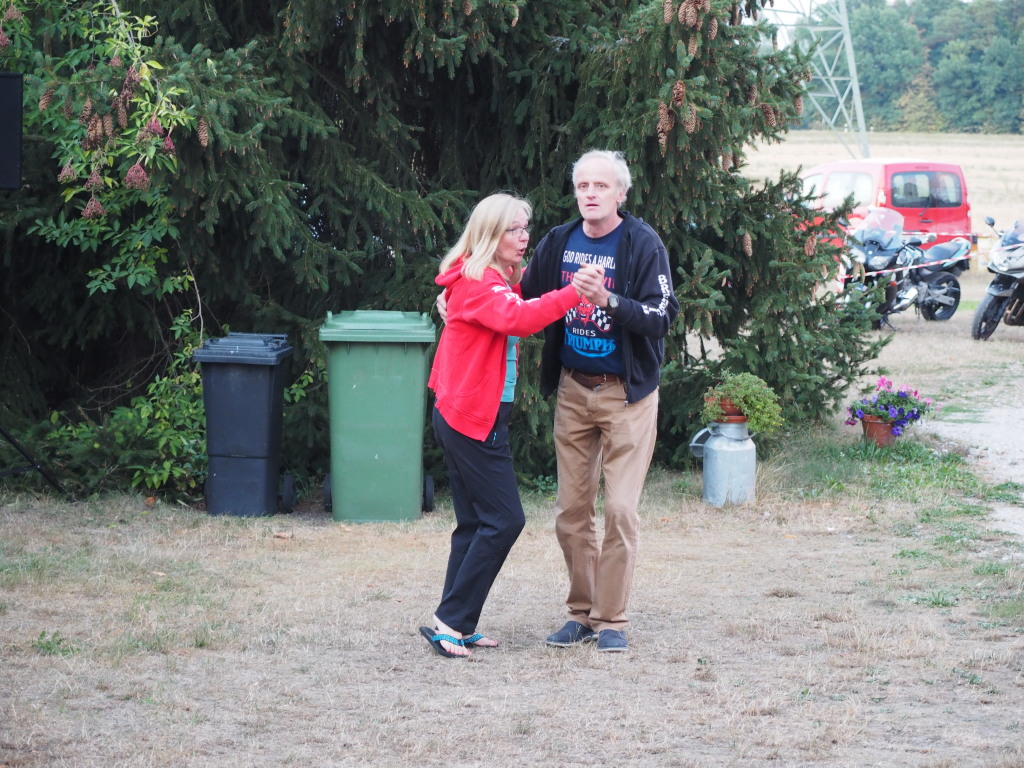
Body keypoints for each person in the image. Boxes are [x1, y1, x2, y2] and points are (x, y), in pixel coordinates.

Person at [421, 192, 604, 659]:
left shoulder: (488, 276)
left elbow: (509, 302)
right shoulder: (480, 281)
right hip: (470, 418)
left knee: (474, 524)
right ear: (490, 233)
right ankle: (451, 622)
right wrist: (575, 292)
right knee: (505, 520)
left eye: (526, 228)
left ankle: (455, 622)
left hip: (464, 412)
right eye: (514, 229)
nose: (524, 238)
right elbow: (519, 319)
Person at [518, 149, 679, 653]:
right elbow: (519, 295)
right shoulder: (559, 241)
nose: (590, 193)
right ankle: (581, 614)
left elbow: (661, 316)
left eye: (601, 186)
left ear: (620, 194)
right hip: (573, 390)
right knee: (571, 510)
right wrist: (457, 294)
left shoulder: (641, 243)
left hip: (626, 395)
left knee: (621, 510)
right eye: (583, 185)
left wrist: (607, 299)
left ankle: (611, 620)